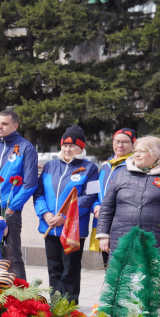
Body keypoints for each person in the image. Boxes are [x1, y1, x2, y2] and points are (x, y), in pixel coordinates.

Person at [34, 126, 99, 303]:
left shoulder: (90, 168)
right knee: (54, 267)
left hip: (73, 228)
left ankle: (69, 304)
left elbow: (90, 196)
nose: (68, 149)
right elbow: (38, 192)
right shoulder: (50, 165)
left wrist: (66, 217)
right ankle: (56, 303)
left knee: (70, 267)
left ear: (81, 148)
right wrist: (45, 214)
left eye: (73, 146)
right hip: (50, 226)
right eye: (65, 145)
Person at [0, 109, 37, 279]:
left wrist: (12, 208)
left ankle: (21, 299)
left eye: (4, 124)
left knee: (12, 256)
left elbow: (30, 183)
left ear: (15, 125)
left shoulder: (26, 148)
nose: (0, 127)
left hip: (9, 211)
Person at [97, 135, 160, 256]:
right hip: (122, 239)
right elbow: (107, 207)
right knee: (123, 274)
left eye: (142, 151)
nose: (136, 155)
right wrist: (103, 235)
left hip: (155, 241)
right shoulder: (122, 174)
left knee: (152, 274)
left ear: (157, 155)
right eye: (136, 151)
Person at [93, 128, 136, 267]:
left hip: (122, 221)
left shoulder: (134, 166)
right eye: (117, 141)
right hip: (103, 221)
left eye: (125, 142)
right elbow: (93, 191)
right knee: (107, 264)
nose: (120, 145)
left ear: (133, 144)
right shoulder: (105, 166)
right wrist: (96, 206)